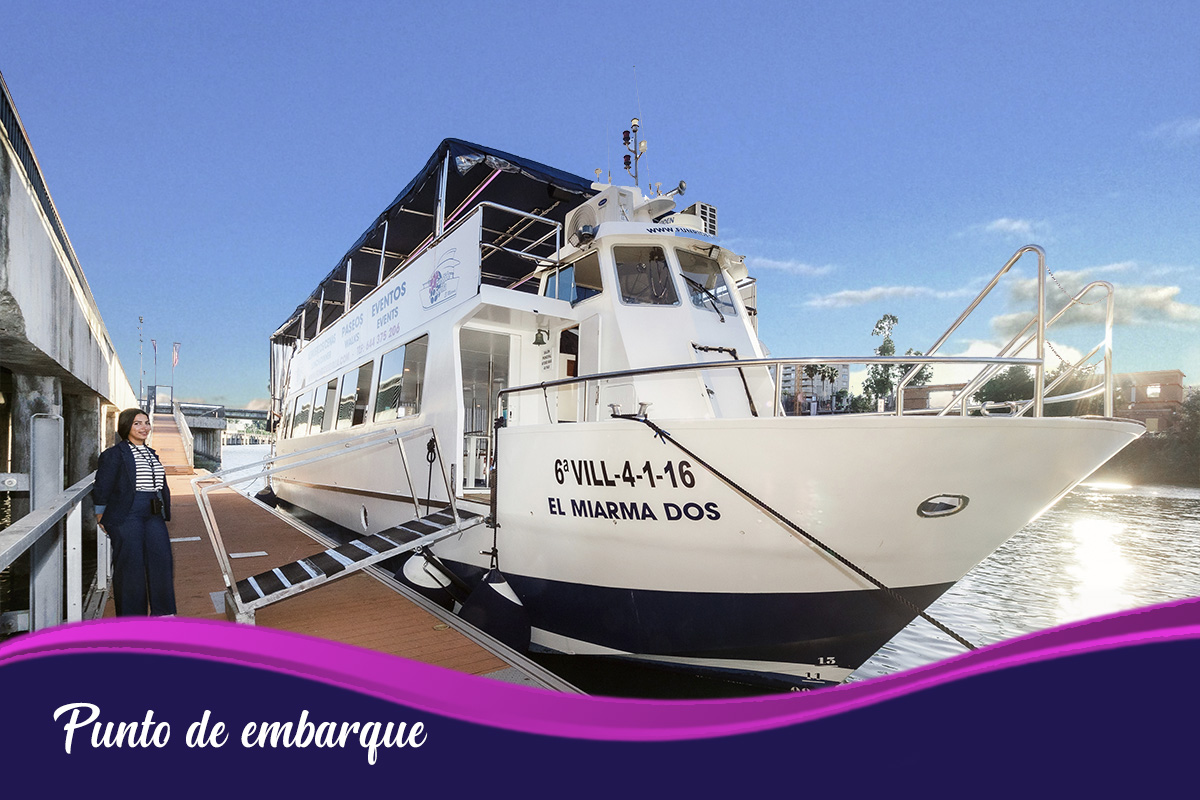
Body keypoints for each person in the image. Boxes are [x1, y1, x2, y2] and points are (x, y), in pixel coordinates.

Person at [93, 408, 177, 616]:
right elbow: (102, 485)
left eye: (146, 423)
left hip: (153, 512)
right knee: (131, 568)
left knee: (162, 560)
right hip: (127, 513)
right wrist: (101, 514)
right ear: (126, 426)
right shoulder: (114, 454)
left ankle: (163, 614)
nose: (144, 427)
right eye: (137, 423)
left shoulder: (151, 453)